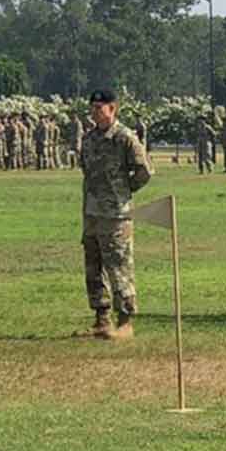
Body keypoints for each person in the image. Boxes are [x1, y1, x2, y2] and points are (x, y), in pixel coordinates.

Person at [79, 89, 153, 340]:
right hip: (92, 212)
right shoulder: (89, 139)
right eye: (93, 108)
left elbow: (144, 171)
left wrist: (124, 191)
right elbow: (86, 170)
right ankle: (101, 318)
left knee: (119, 266)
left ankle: (125, 321)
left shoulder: (124, 138)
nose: (95, 113)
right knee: (94, 267)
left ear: (113, 109)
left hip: (116, 216)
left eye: (100, 108)